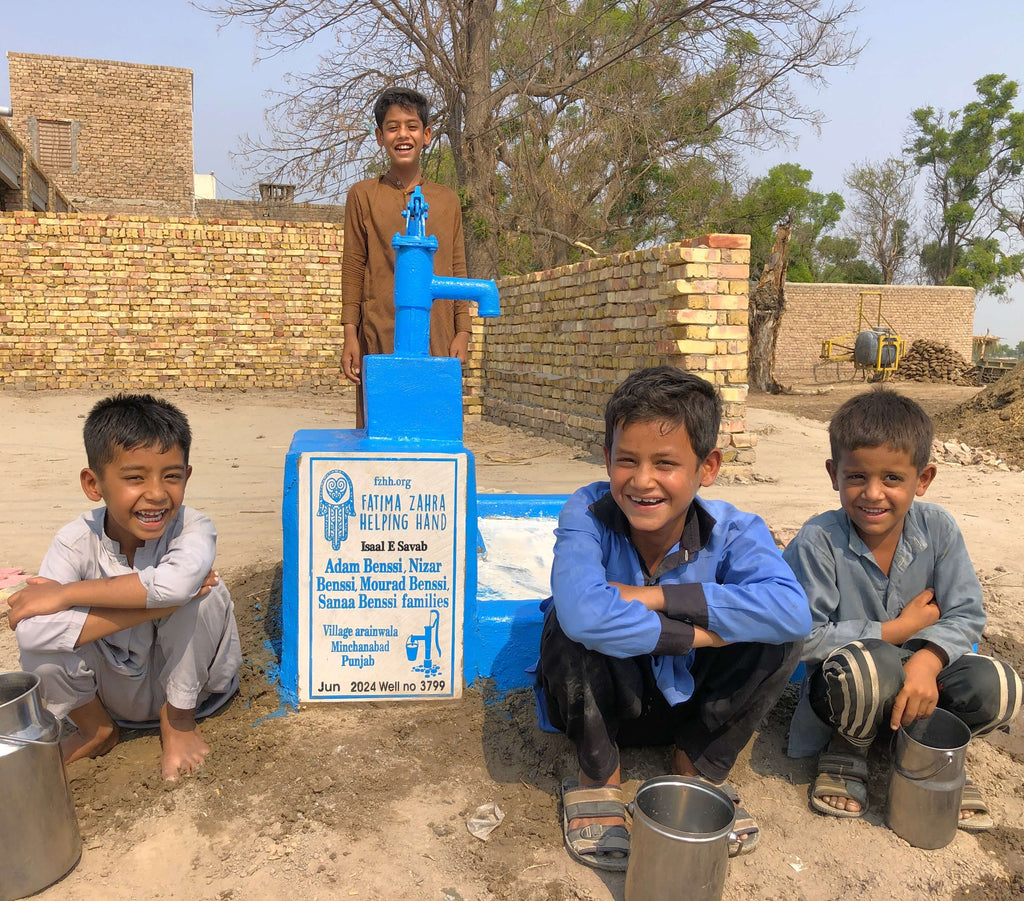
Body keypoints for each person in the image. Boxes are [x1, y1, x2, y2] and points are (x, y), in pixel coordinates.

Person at [536, 366, 811, 871]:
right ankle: (600, 777)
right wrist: (701, 635)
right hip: (612, 700)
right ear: (606, 459)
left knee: (779, 640)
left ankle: (696, 768)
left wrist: (658, 598)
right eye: (627, 461)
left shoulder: (737, 530)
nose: (643, 481)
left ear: (708, 467)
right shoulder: (586, 513)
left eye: (666, 463)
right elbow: (583, 614)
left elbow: (793, 613)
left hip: (691, 707)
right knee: (566, 624)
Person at [784, 388, 1021, 828]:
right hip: (849, 690)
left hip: (922, 686)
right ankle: (847, 749)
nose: (873, 494)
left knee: (1002, 687)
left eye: (892, 478)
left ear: (923, 478)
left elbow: (966, 613)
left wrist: (929, 660)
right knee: (868, 670)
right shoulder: (818, 541)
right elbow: (800, 638)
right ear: (834, 474)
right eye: (857, 477)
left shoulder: (939, 530)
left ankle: (927, 746)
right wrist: (898, 629)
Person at [8, 393, 242, 782]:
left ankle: (179, 725)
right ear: (93, 483)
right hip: (111, 695)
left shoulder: (194, 527)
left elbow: (177, 586)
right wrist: (160, 605)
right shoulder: (74, 540)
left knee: (204, 595)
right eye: (135, 477)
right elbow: (31, 631)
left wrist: (68, 594)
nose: (156, 493)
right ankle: (96, 731)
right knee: (40, 639)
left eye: (172, 475)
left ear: (187, 474)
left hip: (198, 693)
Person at [341, 86, 472, 427]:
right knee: (381, 426)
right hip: (379, 330)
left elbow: (457, 266)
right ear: (380, 136)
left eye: (412, 126)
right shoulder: (363, 196)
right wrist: (350, 334)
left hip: (437, 333)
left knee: (433, 430)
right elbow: (354, 266)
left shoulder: (446, 201)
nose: (403, 134)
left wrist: (463, 331)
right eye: (393, 127)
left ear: (426, 135)